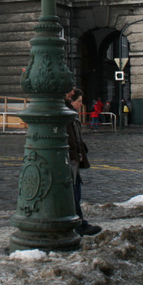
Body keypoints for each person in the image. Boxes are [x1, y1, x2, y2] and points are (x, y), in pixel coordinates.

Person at [64, 88, 101, 237]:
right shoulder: (67, 116)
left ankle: (78, 223)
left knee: (75, 193)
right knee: (74, 195)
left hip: (74, 161)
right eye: (79, 101)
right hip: (70, 162)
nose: (81, 104)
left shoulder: (72, 116)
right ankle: (79, 225)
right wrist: (75, 154)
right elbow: (70, 138)